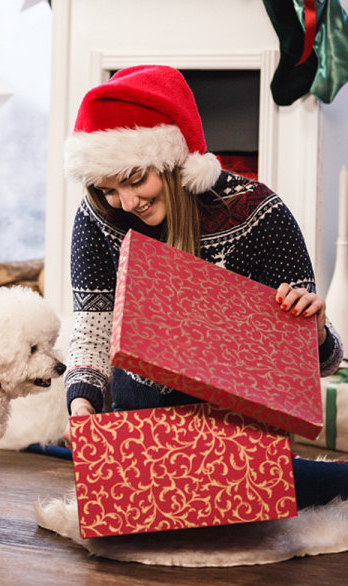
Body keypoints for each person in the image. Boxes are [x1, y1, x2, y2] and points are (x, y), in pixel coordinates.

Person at [61, 64, 348, 509]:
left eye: (137, 180)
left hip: (238, 430)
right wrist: (81, 406)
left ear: (177, 162)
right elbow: (93, 329)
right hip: (140, 424)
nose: (128, 203)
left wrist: (314, 332)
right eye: (108, 188)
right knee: (127, 512)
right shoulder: (98, 217)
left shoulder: (260, 213)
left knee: (247, 497)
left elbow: (323, 366)